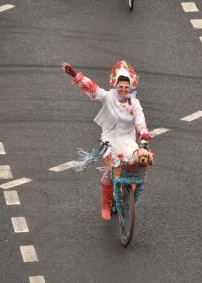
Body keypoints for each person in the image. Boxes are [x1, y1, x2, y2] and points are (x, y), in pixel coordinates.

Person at [62, 60, 152, 221]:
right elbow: (93, 89)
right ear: (116, 85)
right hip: (109, 139)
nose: (123, 89)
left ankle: (128, 193)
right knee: (111, 168)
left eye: (126, 86)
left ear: (130, 87)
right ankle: (106, 203)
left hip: (128, 139)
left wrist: (144, 133)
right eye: (120, 86)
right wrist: (76, 76)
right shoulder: (109, 97)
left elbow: (140, 121)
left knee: (134, 162)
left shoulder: (135, 103)